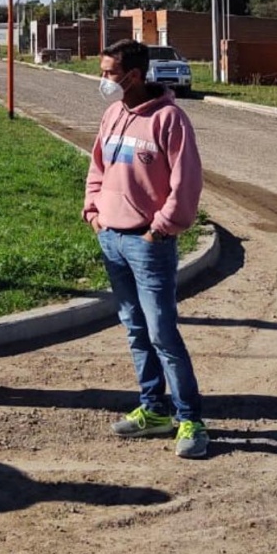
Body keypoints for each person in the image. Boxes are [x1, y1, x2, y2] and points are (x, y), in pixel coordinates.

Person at [83, 39, 208, 459]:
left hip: (148, 243)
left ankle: (189, 417)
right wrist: (94, 213)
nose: (103, 80)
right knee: (135, 330)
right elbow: (97, 166)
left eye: (107, 73)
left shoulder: (170, 120)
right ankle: (153, 408)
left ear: (133, 76)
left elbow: (186, 183)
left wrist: (160, 229)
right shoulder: (112, 113)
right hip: (112, 239)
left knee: (161, 334)